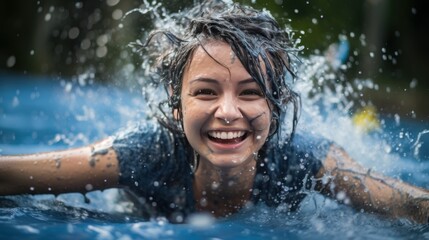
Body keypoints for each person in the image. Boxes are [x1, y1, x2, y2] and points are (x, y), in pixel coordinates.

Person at [1, 0, 428, 224]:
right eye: (205, 92)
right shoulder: (143, 153)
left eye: (250, 93)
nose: (228, 112)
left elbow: (406, 205)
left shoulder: (304, 160)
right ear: (176, 102)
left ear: (275, 106)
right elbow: (13, 175)